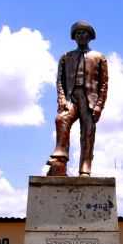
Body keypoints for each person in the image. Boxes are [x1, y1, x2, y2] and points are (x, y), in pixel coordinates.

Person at [46, 21, 109, 177]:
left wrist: (99, 105)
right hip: (71, 97)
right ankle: (60, 159)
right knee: (62, 119)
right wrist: (61, 99)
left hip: (90, 100)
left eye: (84, 33)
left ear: (89, 36)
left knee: (88, 132)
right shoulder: (66, 57)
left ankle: (85, 168)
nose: (81, 36)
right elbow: (59, 81)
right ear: (74, 37)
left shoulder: (99, 57)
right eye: (78, 33)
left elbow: (104, 84)